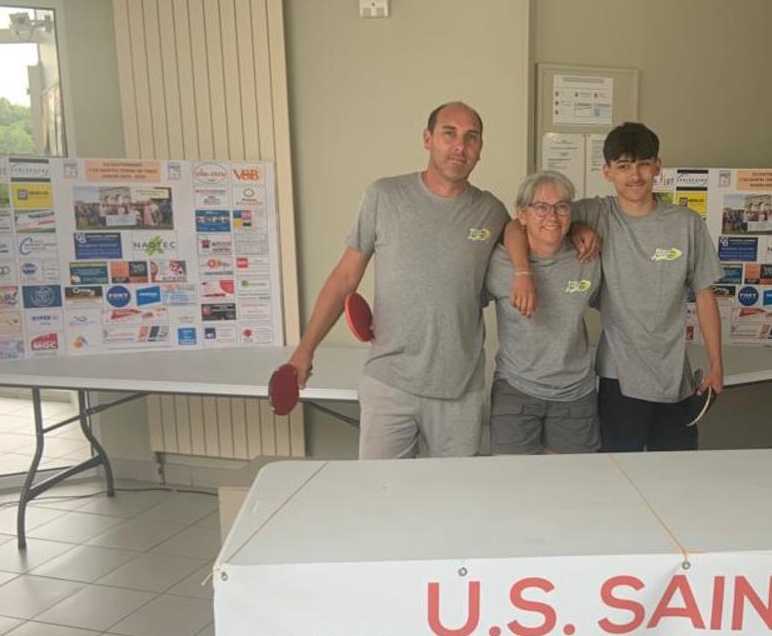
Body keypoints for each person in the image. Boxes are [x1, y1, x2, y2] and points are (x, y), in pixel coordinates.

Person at [286, 102, 509, 458]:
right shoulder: (384, 195)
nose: (460, 146)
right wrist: (304, 350)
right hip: (389, 382)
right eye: (449, 133)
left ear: (480, 148)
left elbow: (531, 238)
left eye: (471, 137)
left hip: (460, 389)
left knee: (454, 491)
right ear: (427, 139)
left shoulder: (492, 212)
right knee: (381, 489)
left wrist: (577, 231)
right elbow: (345, 276)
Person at [505, 121, 723, 452]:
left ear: (657, 167)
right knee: (619, 472)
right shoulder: (597, 212)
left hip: (674, 377)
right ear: (607, 172)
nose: (634, 175)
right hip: (617, 377)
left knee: (675, 474)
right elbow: (518, 225)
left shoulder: (686, 223)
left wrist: (717, 365)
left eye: (643, 164)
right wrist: (530, 265)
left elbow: (705, 295)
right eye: (623, 166)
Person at [485, 171, 602, 454]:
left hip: (575, 394)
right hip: (516, 388)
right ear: (522, 214)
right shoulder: (498, 263)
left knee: (571, 479)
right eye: (541, 207)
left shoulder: (587, 258)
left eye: (561, 206)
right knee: (514, 478)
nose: (552, 216)